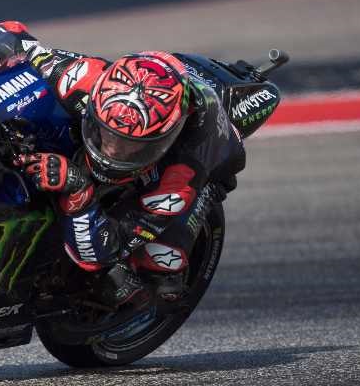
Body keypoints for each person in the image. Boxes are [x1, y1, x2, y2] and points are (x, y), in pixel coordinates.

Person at [14, 43, 246, 307]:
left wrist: (78, 193)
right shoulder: (81, 78)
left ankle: (164, 272)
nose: (113, 152)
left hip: (210, 153)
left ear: (164, 141)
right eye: (107, 135)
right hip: (153, 80)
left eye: (132, 147)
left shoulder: (181, 171)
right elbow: (19, 42)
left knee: (159, 263)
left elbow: (99, 254)